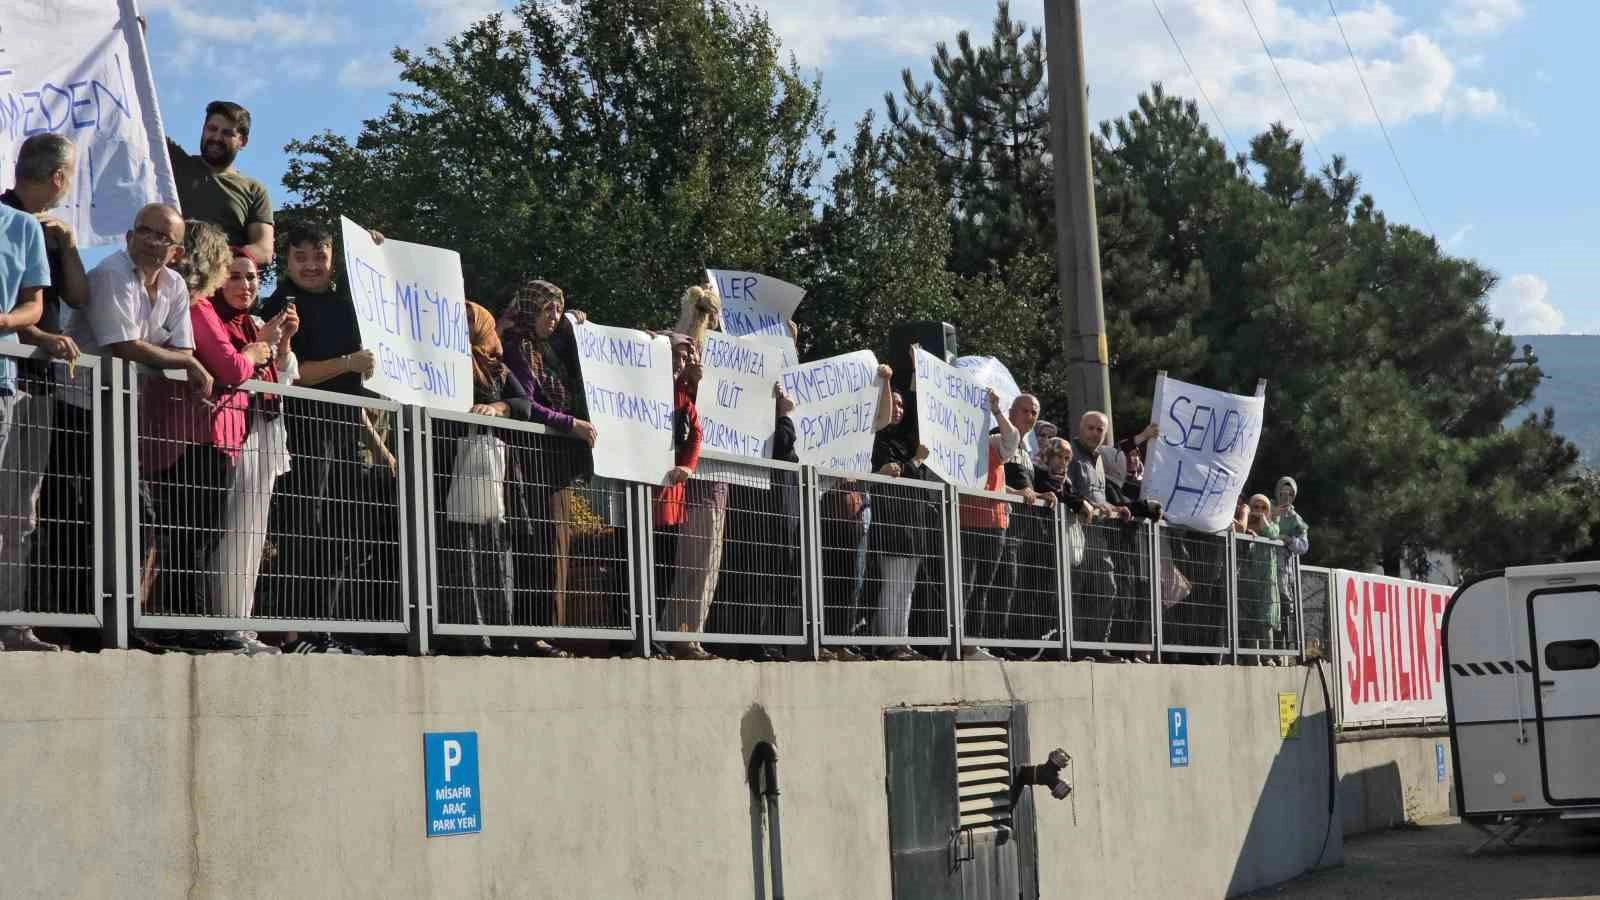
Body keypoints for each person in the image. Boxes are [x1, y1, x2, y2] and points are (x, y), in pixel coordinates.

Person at [253, 222, 386, 652]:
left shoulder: (345, 305)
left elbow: (349, 393)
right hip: (301, 433)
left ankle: (323, 629)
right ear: (287, 261)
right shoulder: (281, 306)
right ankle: (293, 632)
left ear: (333, 259)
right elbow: (292, 374)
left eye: (320, 256)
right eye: (301, 257)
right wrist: (347, 362)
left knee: (342, 534)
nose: (311, 265)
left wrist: (379, 447)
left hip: (342, 435)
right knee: (303, 530)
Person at [173, 246, 295, 655]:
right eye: (236, 276)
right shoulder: (211, 318)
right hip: (226, 436)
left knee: (252, 534)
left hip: (263, 434)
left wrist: (282, 343)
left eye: (253, 277)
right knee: (222, 532)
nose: (245, 285)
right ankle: (220, 623)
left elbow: (282, 380)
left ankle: (239, 622)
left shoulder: (255, 324)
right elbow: (232, 370)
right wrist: (258, 347)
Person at [0, 133, 85, 652]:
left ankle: (11, 621)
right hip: (10, 373)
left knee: (21, 511)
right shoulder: (8, 219)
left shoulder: (46, 231)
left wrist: (69, 243)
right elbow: (17, 309)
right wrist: (38, 335)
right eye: (71, 176)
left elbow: (74, 296)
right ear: (58, 177)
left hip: (37, 383)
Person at [436, 302, 548, 653]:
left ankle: (498, 635)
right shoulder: (441, 361)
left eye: (471, 321)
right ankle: (465, 638)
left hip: (485, 473)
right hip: (446, 471)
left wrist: (496, 408)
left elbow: (523, 403)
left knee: (494, 556)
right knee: (457, 556)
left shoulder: (495, 367)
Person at [497, 279, 597, 638]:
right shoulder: (518, 347)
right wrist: (570, 424)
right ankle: (536, 633)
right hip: (533, 459)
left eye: (559, 309)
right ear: (529, 309)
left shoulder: (550, 349)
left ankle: (552, 631)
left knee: (558, 546)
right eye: (547, 309)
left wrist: (578, 327)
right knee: (540, 545)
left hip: (558, 460)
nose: (554, 316)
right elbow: (528, 405)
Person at [0, 193, 48, 650]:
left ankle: (11, 623)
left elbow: (34, 306)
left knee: (16, 515)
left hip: (4, 384)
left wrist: (5, 320)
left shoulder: (20, 226)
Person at [868, 388, 939, 661]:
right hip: (893, 524)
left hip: (914, 525)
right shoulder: (878, 440)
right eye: (893, 404)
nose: (897, 410)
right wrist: (916, 460)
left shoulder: (907, 441)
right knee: (893, 584)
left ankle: (902, 640)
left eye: (901, 405)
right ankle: (888, 643)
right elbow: (895, 477)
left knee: (906, 588)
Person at [654, 331, 710, 659]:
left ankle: (656, 637)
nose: (680, 362)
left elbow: (696, 435)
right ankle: (631, 639)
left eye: (685, 358)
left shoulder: (683, 397)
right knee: (634, 568)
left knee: (662, 570)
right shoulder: (645, 385)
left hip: (670, 500)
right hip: (640, 499)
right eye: (675, 355)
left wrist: (688, 466)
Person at [165, 101, 274, 265]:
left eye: (227, 133)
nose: (216, 138)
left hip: (223, 278)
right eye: (212, 129)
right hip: (170, 277)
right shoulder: (174, 164)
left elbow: (264, 251)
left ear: (243, 141)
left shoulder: (254, 190)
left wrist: (214, 257)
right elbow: (142, 123)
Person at [956, 387, 1019, 662]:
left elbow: (1012, 439)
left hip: (994, 523)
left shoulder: (993, 443)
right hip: (964, 522)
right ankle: (954, 643)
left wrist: (996, 411)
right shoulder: (953, 442)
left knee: (981, 587)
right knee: (964, 585)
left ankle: (971, 645)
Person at [1067, 411, 1134, 657]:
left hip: (1097, 533)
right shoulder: (1070, 453)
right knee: (1075, 590)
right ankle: (1074, 648)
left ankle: (1096, 648)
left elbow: (1098, 497)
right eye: (1091, 427)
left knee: (1107, 588)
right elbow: (1066, 490)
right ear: (1080, 427)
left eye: (1100, 430)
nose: (1095, 433)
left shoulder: (1099, 459)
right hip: (1073, 531)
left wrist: (1114, 508)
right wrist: (1090, 504)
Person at [1240, 493, 1282, 661]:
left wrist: (1264, 518)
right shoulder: (1246, 525)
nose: (1259, 510)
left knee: (1266, 621)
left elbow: (1272, 534)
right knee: (1250, 623)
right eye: (1256, 507)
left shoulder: (1272, 525)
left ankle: (1267, 658)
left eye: (1264, 507)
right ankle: (1252, 660)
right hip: (1248, 582)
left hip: (1267, 582)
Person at [1273, 475, 1311, 652]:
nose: (1286, 497)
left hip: (1283, 572)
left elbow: (1303, 546)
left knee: (1283, 609)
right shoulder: (1267, 508)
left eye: (1290, 494)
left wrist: (1288, 539)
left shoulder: (1296, 519)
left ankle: (1282, 652)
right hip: (1262, 566)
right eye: (1283, 493)